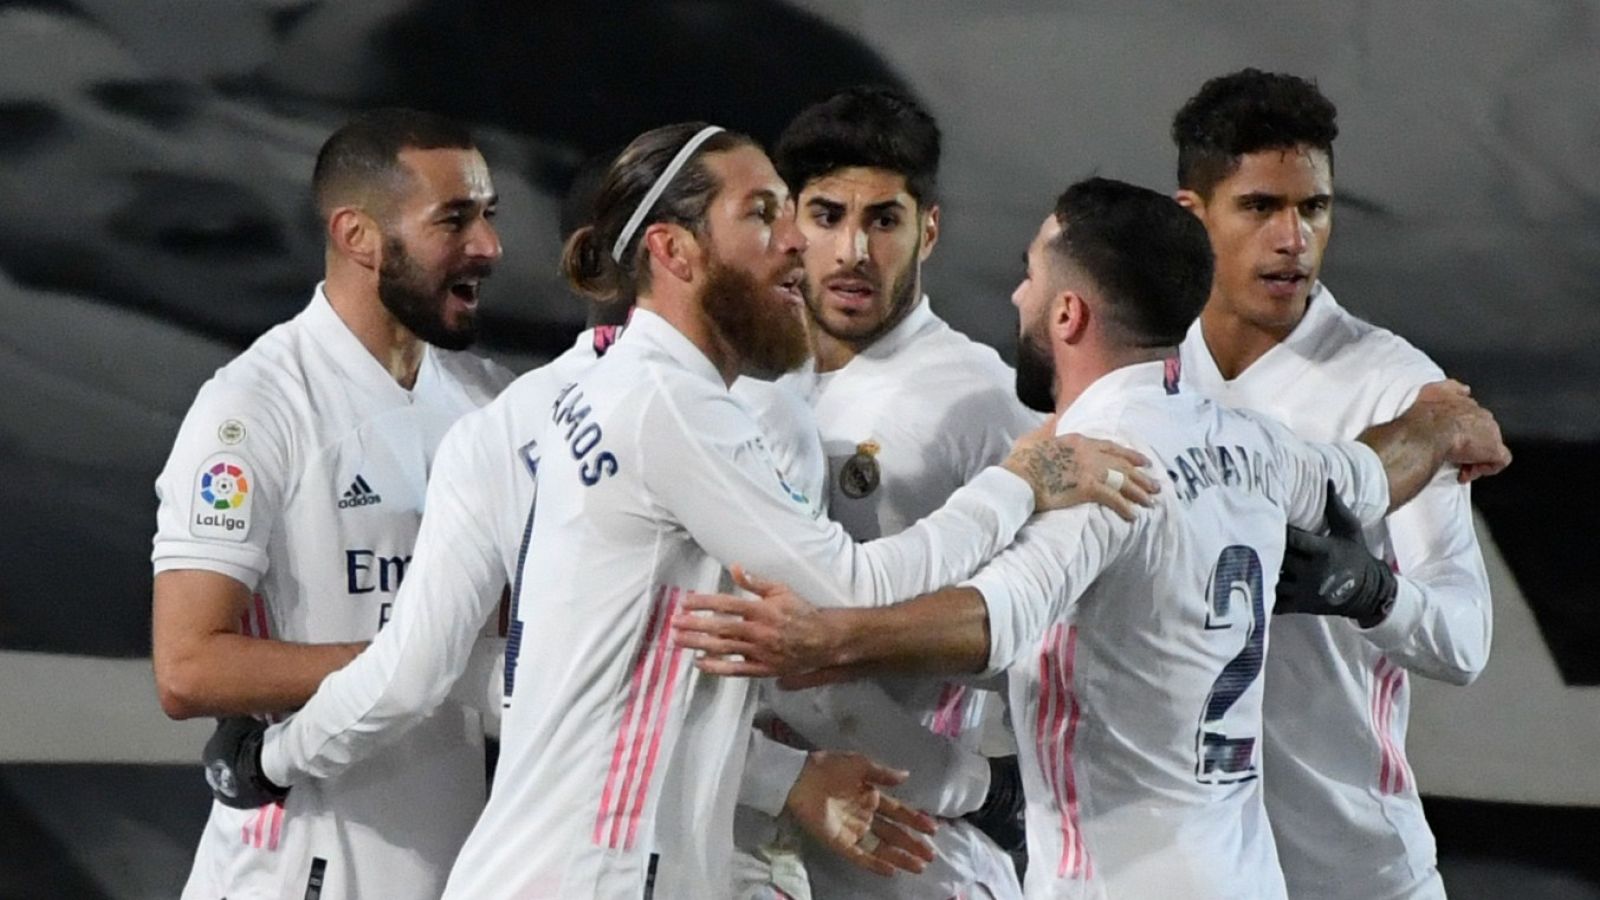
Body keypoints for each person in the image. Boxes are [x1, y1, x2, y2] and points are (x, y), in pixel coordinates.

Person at [209, 124, 1155, 900]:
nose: (800, 244)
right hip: (607, 878)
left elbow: (420, 674)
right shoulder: (684, 407)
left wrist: (276, 756)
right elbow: (849, 593)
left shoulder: (521, 416)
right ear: (671, 250)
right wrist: (1024, 479)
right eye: (766, 216)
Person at [673, 178, 1511, 899]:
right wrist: (1436, 426)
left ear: (1068, 313)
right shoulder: (1254, 446)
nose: (1016, 298)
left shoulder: (1100, 471)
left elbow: (998, 618)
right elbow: (1362, 478)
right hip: (1243, 873)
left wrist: (830, 637)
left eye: (1030, 277)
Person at [150, 108, 515, 899]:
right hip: (295, 868)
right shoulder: (255, 407)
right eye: (454, 219)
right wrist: (410, 666)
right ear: (357, 235)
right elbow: (187, 667)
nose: (487, 246)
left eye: (489, 215)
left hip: (455, 863)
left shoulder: (494, 403)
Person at [1169, 69, 1495, 900]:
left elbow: (1465, 639)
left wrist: (1368, 590)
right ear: (1192, 214)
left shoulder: (1395, 388)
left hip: (1353, 871)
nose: (1293, 239)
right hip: (1190, 869)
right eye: (1259, 207)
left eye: (1313, 208)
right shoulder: (1149, 372)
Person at [753, 84, 1040, 900]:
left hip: (911, 847)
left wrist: (847, 637)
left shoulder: (980, 398)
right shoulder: (741, 385)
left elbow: (1038, 628)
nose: (852, 251)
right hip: (746, 827)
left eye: (884, 220)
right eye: (827, 215)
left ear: (929, 231)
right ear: (786, 222)